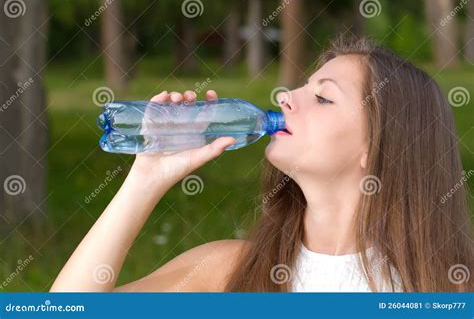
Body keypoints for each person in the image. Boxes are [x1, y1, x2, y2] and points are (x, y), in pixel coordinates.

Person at [50, 36, 474, 292]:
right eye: (303, 85)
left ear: (378, 146)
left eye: (323, 97)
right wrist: (146, 179)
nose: (287, 96)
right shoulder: (228, 271)